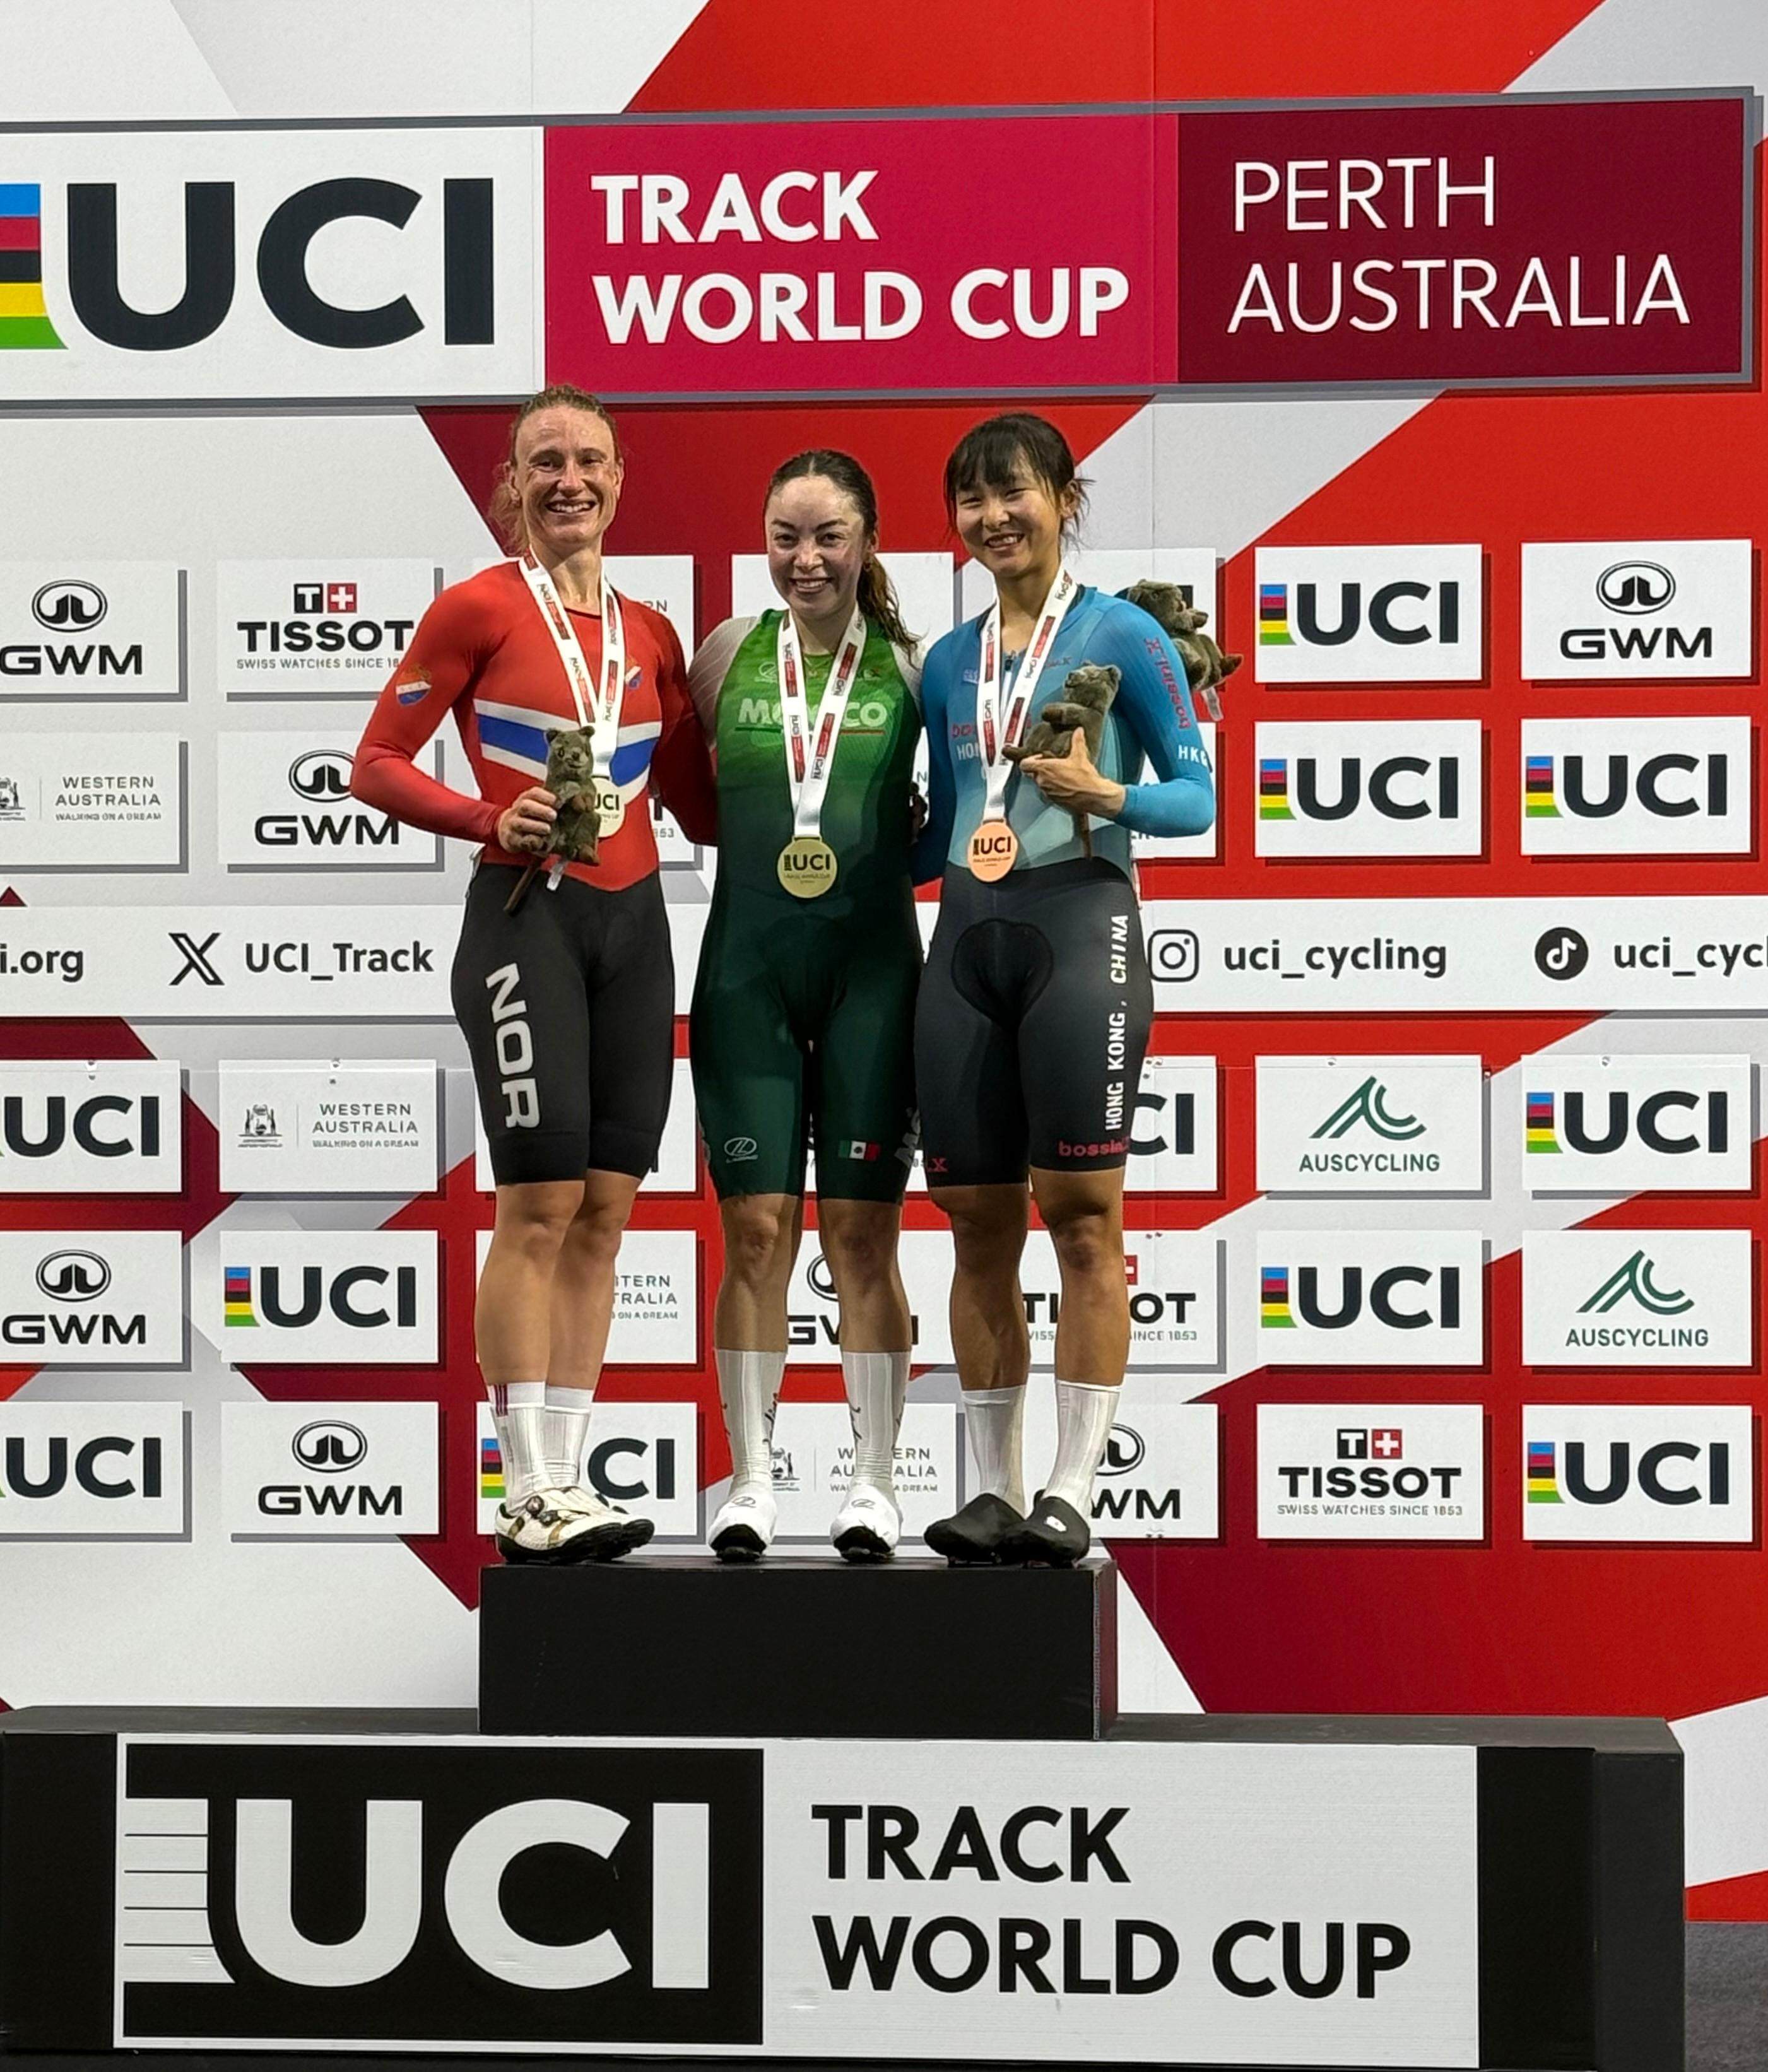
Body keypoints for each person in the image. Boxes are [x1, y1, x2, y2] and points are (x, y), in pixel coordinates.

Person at [351, 383, 716, 1564]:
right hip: (526, 924)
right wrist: (481, 818)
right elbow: (374, 763)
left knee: (606, 1214)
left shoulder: (653, 632)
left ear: (618, 481)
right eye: (545, 460)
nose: (570, 479)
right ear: (513, 485)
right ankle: (524, 1487)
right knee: (538, 1204)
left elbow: (706, 803)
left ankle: (569, 1477)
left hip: (635, 925)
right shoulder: (476, 608)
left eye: (591, 460)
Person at [914, 412, 1215, 1567]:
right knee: (975, 1228)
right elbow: (945, 826)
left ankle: (1072, 1488)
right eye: (972, 503)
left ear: (1062, 501)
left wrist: (1106, 792)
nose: (994, 519)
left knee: (1084, 1224)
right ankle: (990, 1493)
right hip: (965, 941)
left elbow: (1196, 801)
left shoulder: (1125, 634)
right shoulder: (950, 659)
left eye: (1016, 494)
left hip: (1082, 926)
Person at [688, 450, 922, 1562]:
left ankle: (874, 1483)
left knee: (862, 1233)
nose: (806, 558)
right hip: (745, 971)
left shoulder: (917, 666)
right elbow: (685, 798)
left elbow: (961, 808)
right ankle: (749, 1480)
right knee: (754, 1231)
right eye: (785, 536)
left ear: (868, 539)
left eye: (828, 536)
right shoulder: (727, 654)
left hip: (875, 972)